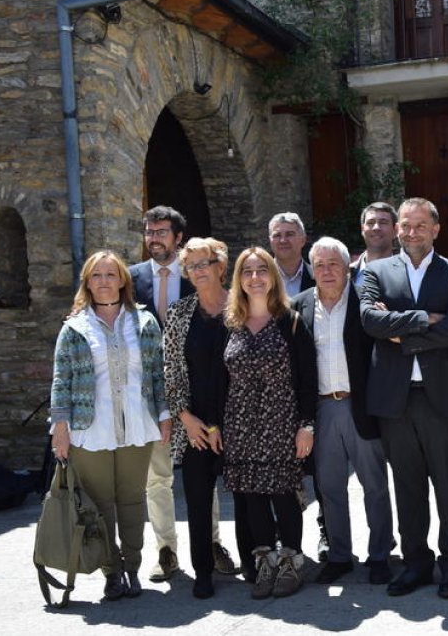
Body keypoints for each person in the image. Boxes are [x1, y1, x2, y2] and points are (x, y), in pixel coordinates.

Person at [360, 198, 448, 599]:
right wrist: (424, 318)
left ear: (436, 229)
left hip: (442, 397)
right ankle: (415, 564)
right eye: (405, 226)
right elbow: (370, 321)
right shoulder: (375, 272)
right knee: (407, 487)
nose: (412, 232)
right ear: (397, 230)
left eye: (420, 225)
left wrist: (400, 334)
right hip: (395, 399)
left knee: (447, 486)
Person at [50, 251, 171, 600]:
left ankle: (132, 567)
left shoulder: (145, 323)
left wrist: (164, 415)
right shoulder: (75, 327)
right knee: (99, 503)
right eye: (96, 275)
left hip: (138, 423)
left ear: (122, 281)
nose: (104, 281)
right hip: (91, 427)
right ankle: (111, 572)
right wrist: (60, 426)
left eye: (110, 274)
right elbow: (62, 379)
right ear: (87, 283)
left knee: (132, 499)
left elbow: (156, 373)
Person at [129, 206, 236, 582]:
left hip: (196, 394)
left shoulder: (196, 272)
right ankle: (166, 550)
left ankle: (211, 544)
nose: (154, 237)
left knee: (201, 477)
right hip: (151, 397)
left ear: (178, 238)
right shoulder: (131, 278)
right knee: (157, 478)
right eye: (149, 231)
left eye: (162, 231)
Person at [292, 237, 395, 586]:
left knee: (375, 485)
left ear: (346, 266)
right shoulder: (299, 305)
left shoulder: (366, 300)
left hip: (360, 405)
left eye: (333, 263)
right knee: (330, 487)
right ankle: (339, 555)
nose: (326, 271)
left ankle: (380, 554)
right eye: (318, 265)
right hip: (322, 408)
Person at [223, 247, 317, 600]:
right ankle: (264, 562)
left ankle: (291, 562)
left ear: (273, 277)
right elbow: (223, 381)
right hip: (241, 425)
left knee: (283, 495)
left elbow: (309, 380)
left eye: (262, 270)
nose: (255, 277)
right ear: (239, 280)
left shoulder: (291, 321)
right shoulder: (230, 324)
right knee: (253, 499)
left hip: (282, 423)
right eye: (247, 271)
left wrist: (306, 425)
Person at [161, 237, 251, 598]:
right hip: (195, 426)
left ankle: (254, 564)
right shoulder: (180, 313)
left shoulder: (243, 307)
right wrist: (185, 417)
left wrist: (231, 424)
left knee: (247, 500)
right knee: (197, 500)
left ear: (221, 266)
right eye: (191, 265)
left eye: (204, 263)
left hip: (240, 424)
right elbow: (170, 370)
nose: (198, 271)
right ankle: (203, 572)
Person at [268, 212, 315, 296]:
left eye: (289, 234)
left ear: (303, 240)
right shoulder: (260, 280)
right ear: (270, 241)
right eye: (277, 235)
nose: (283, 240)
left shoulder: (318, 278)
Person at [352, 202, 398, 279]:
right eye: (370, 223)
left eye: (383, 222)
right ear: (362, 230)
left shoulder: (408, 273)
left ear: (395, 230)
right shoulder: (346, 275)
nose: (376, 227)